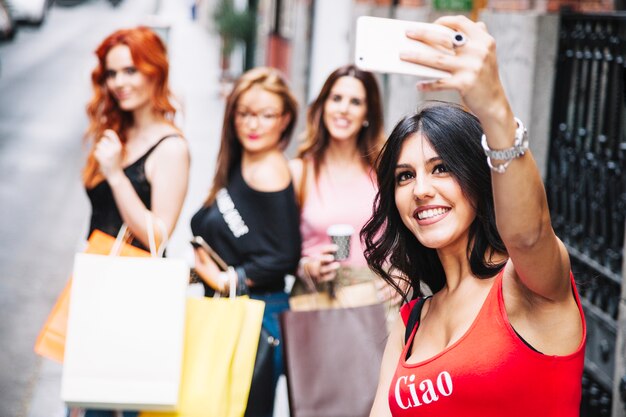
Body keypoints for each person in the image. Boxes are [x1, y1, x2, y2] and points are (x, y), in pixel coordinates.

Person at [362, 16, 585, 417]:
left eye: (441, 168)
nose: (421, 189)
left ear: (478, 179)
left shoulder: (527, 286)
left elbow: (528, 236)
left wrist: (493, 104)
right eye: (405, 176)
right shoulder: (412, 321)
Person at [70, 26, 190, 417]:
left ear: (155, 70)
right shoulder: (117, 130)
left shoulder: (170, 147)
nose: (119, 82)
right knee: (85, 400)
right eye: (111, 73)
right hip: (98, 285)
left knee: (120, 402)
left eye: (130, 71)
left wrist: (117, 174)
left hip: (134, 299)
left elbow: (158, 233)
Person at [190, 67, 301, 417]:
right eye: (245, 113)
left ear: (284, 120)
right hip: (234, 312)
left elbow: (285, 256)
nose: (253, 124)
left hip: (256, 315)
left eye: (266, 115)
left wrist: (229, 278)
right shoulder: (242, 164)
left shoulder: (269, 170)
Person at [289, 64, 399, 311]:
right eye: (336, 98)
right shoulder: (299, 172)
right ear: (323, 107)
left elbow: (409, 234)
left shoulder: (384, 170)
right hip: (316, 300)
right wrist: (307, 266)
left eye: (355, 102)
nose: (344, 109)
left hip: (375, 299)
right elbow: (281, 249)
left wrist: (404, 274)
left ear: (368, 113)